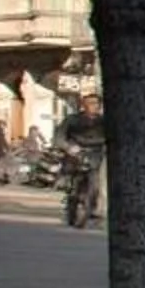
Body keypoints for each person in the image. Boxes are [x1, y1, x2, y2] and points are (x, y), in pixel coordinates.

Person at [58, 90, 109, 222]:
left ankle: (93, 207)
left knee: (96, 184)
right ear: (84, 105)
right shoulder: (72, 120)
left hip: (95, 154)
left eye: (97, 103)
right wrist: (68, 147)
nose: (94, 106)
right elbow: (60, 136)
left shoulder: (104, 121)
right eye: (90, 103)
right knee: (69, 175)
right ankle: (68, 192)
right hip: (75, 152)